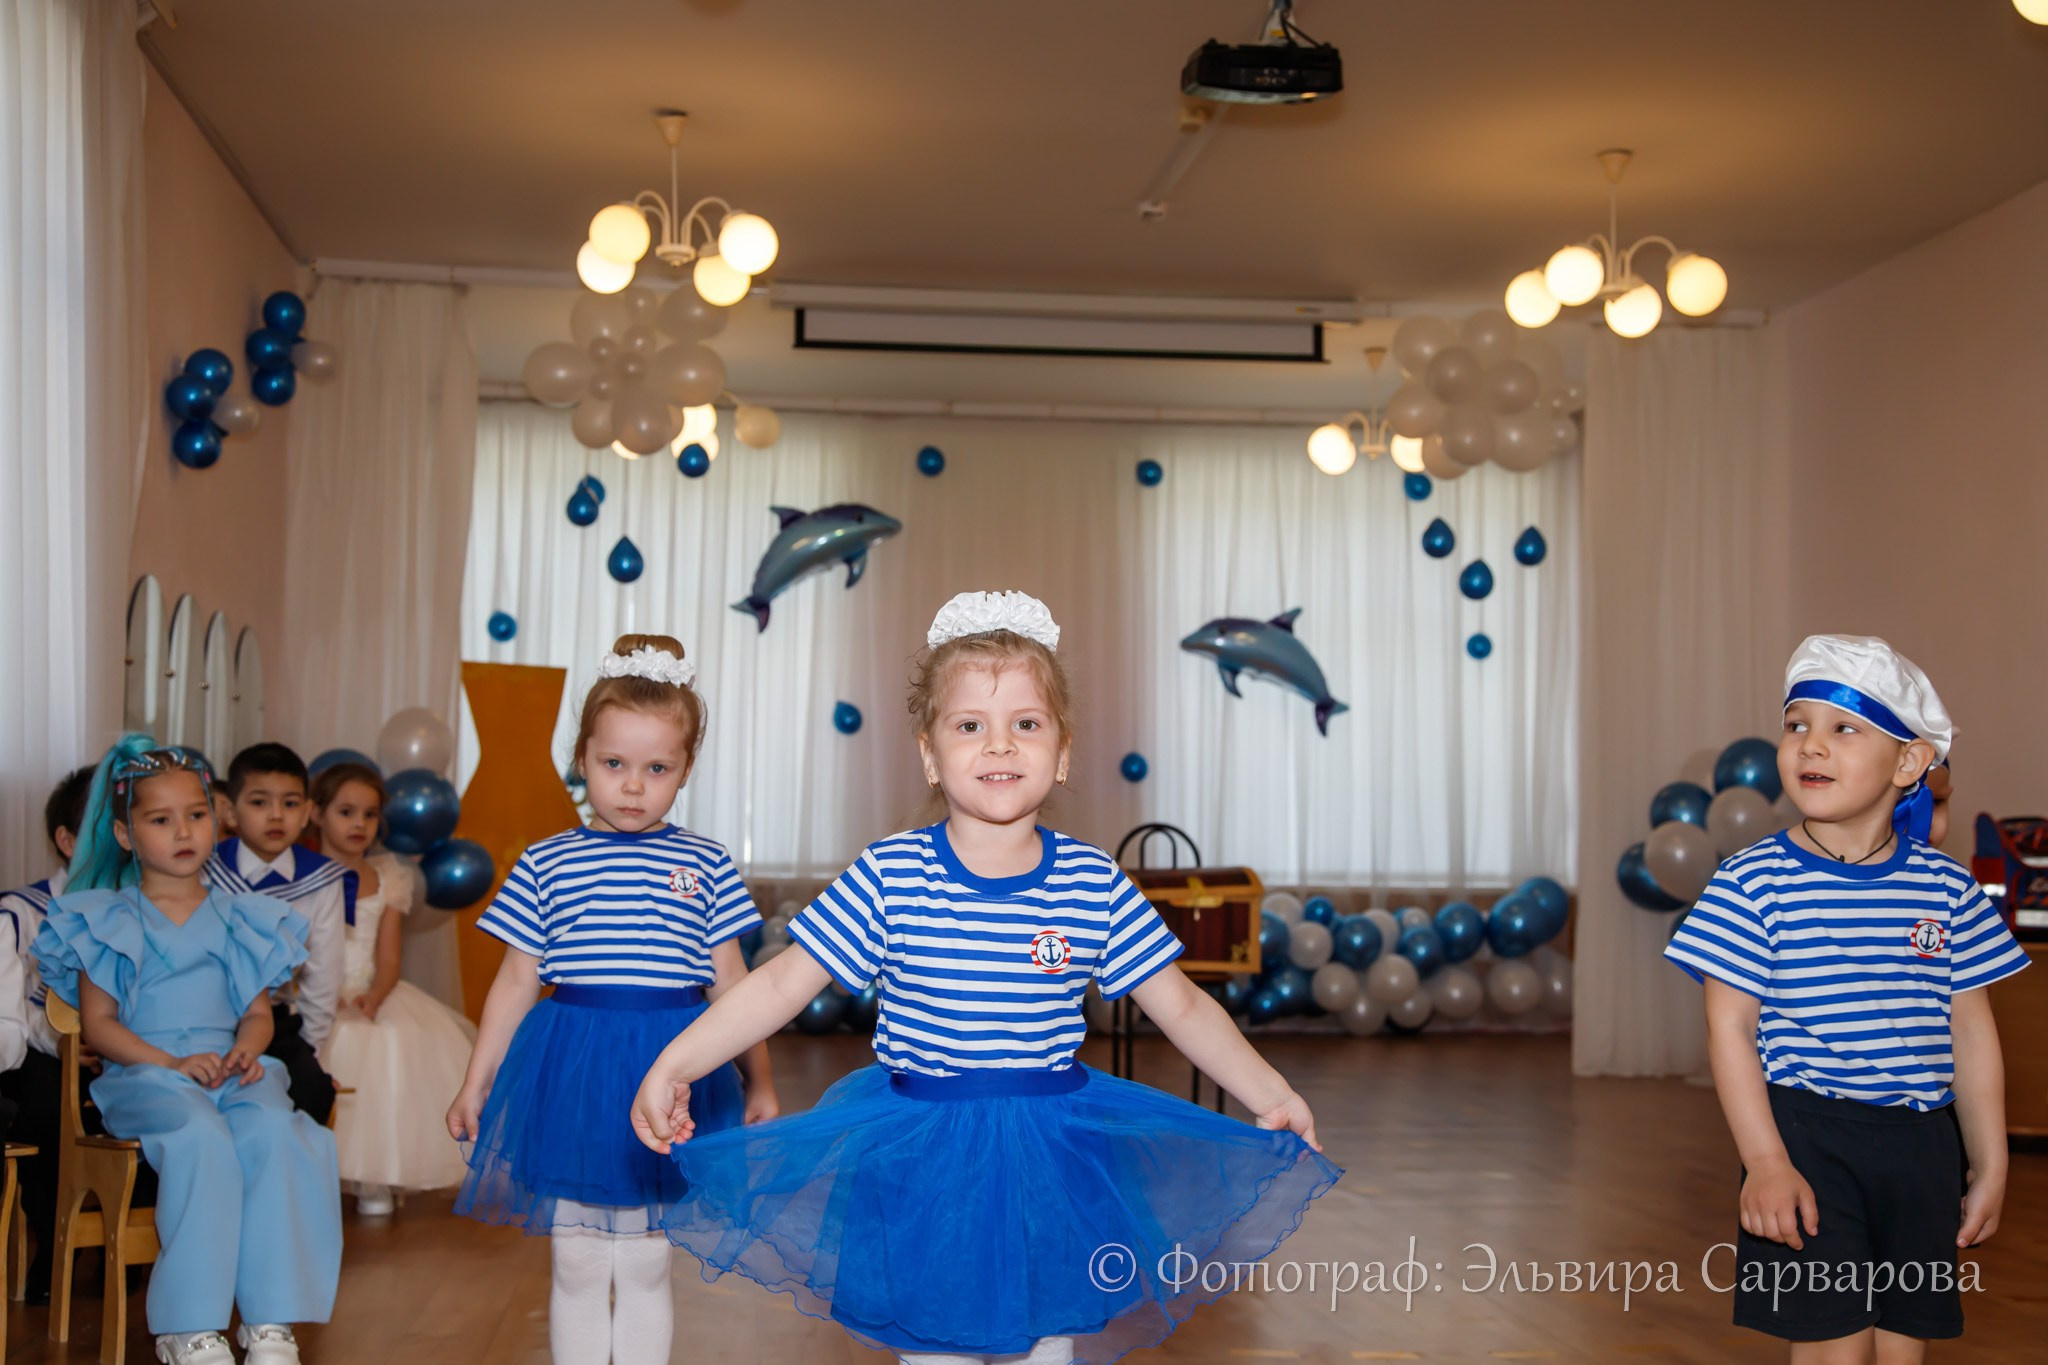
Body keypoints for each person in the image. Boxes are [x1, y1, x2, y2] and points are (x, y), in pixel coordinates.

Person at [633, 591, 1342, 1365]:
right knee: (935, 1351)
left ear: (1062, 751)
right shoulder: (891, 873)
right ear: (931, 754)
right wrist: (678, 1062)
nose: (999, 744)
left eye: (1026, 724)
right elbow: (777, 985)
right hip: (922, 1158)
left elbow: (1181, 1002)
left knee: (1044, 1348)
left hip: (1050, 1162)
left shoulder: (1092, 881)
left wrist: (1271, 1091)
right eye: (970, 725)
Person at [1666, 635, 2029, 1362]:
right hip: (1809, 1137)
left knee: (1903, 1343)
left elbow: (1970, 1030)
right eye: (1797, 724)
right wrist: (1766, 1159)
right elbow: (1729, 1028)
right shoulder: (1752, 882)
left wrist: (1989, 1160)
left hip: (1923, 1142)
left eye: (1843, 728)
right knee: (1832, 1342)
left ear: (1908, 762)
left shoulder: (1946, 888)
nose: (1811, 745)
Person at [447, 635, 779, 1365]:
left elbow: (733, 985)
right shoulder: (547, 860)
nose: (633, 785)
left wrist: (759, 1080)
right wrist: (476, 1082)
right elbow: (514, 979)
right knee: (575, 1259)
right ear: (582, 758)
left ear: (685, 769)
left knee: (644, 1260)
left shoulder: (706, 862)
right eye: (614, 764)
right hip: (571, 1067)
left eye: (657, 768)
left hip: (671, 1065)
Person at [33, 736, 341, 1365]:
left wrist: (247, 1051)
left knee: (279, 1136)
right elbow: (99, 1026)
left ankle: (269, 1319)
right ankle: (189, 1326)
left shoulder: (243, 917)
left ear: (217, 817)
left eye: (196, 815)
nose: (183, 831)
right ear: (124, 835)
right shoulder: (106, 917)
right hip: (148, 1075)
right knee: (201, 1137)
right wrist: (169, 1064)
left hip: (229, 1072)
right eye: (160, 819)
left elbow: (257, 1015)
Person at [309, 762, 476, 1216]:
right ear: (316, 813)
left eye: (369, 814)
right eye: (346, 811)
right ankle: (314, 1172)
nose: (359, 824)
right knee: (326, 1043)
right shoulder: (302, 876)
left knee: (387, 1044)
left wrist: (375, 995)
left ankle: (376, 1175)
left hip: (369, 991)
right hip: (315, 995)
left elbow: (387, 958)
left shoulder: (388, 878)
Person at [206, 743, 351, 1122]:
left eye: (289, 804)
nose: (275, 815)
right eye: (259, 802)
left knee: (311, 1089)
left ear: (307, 812)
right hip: (204, 1019)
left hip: (277, 1023)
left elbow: (324, 971)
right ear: (229, 811)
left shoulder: (321, 879)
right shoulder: (205, 869)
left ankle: (288, 1182)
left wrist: (311, 1048)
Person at [0, 764, 95, 1302]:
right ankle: (56, 1241)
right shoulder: (22, 910)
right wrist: (64, 1040)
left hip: (123, 1053)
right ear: (66, 840)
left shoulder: (147, 912)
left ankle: (125, 1241)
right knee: (43, 1092)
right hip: (50, 1052)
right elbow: (13, 1009)